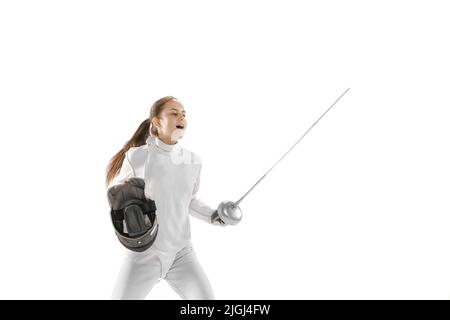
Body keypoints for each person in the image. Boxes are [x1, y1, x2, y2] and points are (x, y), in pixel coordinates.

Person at [105, 96, 225, 300]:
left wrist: (213, 215)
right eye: (174, 113)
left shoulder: (193, 161)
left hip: (181, 253)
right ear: (157, 122)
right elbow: (117, 197)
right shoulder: (137, 157)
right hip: (144, 254)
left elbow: (190, 201)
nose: (181, 117)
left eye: (184, 114)